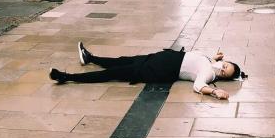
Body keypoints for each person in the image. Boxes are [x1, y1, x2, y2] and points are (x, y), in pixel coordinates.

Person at [49, 43, 247, 100]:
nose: (222, 69)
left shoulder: (209, 74)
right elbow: (205, 61)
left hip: (158, 69)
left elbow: (199, 85)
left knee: (113, 73)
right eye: (226, 66)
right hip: (157, 59)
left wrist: (214, 92)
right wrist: (215, 58)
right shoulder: (210, 62)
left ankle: (67, 77)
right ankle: (89, 57)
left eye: (224, 73)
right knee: (120, 62)